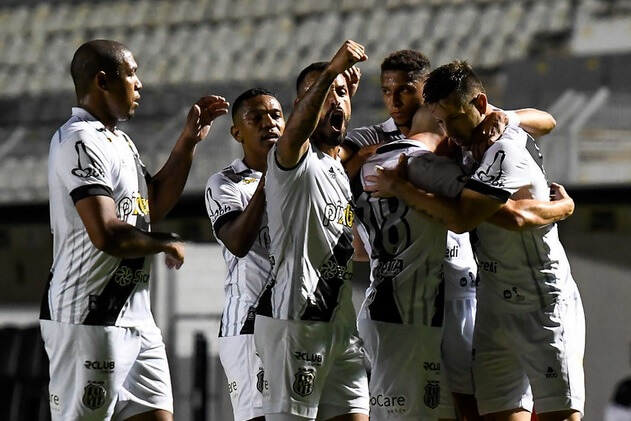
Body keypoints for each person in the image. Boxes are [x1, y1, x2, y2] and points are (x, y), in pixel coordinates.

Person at [345, 49, 558, 421]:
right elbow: (337, 161)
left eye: (405, 91)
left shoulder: (459, 123)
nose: (394, 101)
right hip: (406, 291)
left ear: (426, 91)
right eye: (386, 91)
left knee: (472, 401)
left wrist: (502, 117)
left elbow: (546, 121)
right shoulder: (374, 137)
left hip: (462, 285)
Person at [40, 39, 229, 421]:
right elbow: (106, 233)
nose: (139, 83)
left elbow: (152, 204)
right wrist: (164, 243)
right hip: (88, 315)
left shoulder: (120, 142)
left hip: (137, 316)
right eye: (131, 73)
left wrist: (188, 141)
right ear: (103, 81)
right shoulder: (78, 140)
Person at [253, 40, 370, 421]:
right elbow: (302, 125)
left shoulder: (338, 165)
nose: (334, 97)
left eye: (341, 91)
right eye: (322, 91)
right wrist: (333, 70)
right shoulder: (292, 158)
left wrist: (337, 91)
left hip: (340, 323)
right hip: (295, 319)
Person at [204, 88, 285, 421]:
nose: (269, 123)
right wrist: (270, 179)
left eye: (276, 115)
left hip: (299, 322)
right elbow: (237, 241)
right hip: (250, 325)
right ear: (237, 131)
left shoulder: (304, 179)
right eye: (257, 117)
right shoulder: (225, 183)